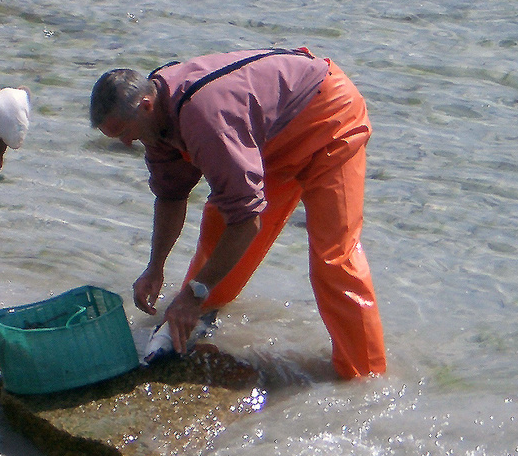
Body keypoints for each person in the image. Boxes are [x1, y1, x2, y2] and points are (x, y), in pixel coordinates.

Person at [90, 48, 386, 378]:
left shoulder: (204, 119)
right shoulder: (154, 120)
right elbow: (171, 195)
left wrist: (192, 293)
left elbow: (247, 222)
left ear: (146, 105)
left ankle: (366, 378)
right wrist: (155, 267)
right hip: (273, 140)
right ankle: (193, 321)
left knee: (334, 257)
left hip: (330, 118)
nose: (126, 144)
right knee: (219, 226)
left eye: (124, 134)